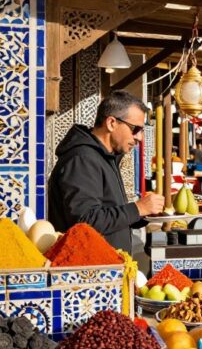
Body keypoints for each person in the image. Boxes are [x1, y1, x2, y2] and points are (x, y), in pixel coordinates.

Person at [48, 91, 164, 252]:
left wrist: (144, 214)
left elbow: (108, 214)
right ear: (111, 123)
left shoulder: (105, 157)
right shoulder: (82, 159)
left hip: (106, 268)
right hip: (89, 271)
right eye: (135, 129)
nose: (140, 138)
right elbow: (85, 221)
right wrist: (137, 209)